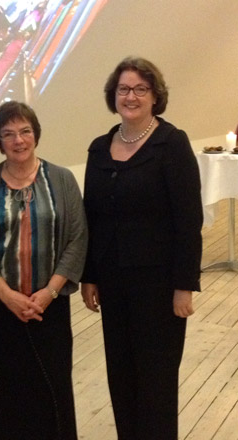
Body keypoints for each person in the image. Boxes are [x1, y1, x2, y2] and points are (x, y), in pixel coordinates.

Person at [81, 57, 203, 439]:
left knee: (157, 380)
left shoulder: (171, 143)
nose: (130, 96)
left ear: (154, 96)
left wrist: (185, 284)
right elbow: (92, 218)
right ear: (113, 96)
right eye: (123, 89)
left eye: (139, 89)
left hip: (159, 285)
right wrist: (89, 276)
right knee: (122, 374)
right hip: (114, 285)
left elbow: (188, 219)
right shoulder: (100, 149)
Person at [0, 101, 88, 439]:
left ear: (36, 135)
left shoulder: (61, 179)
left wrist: (49, 292)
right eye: (8, 134)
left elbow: (77, 240)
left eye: (25, 132)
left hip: (49, 307)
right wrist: (8, 296)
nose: (18, 140)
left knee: (50, 389)